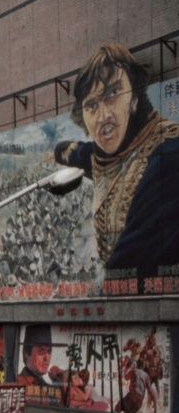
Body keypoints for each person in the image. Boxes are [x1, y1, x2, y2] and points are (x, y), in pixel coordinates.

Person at [53, 43, 179, 277]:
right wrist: (59, 152)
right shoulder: (101, 155)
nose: (103, 117)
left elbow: (129, 263)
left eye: (112, 94)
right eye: (91, 105)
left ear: (134, 99)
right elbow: (75, 152)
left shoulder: (168, 154)